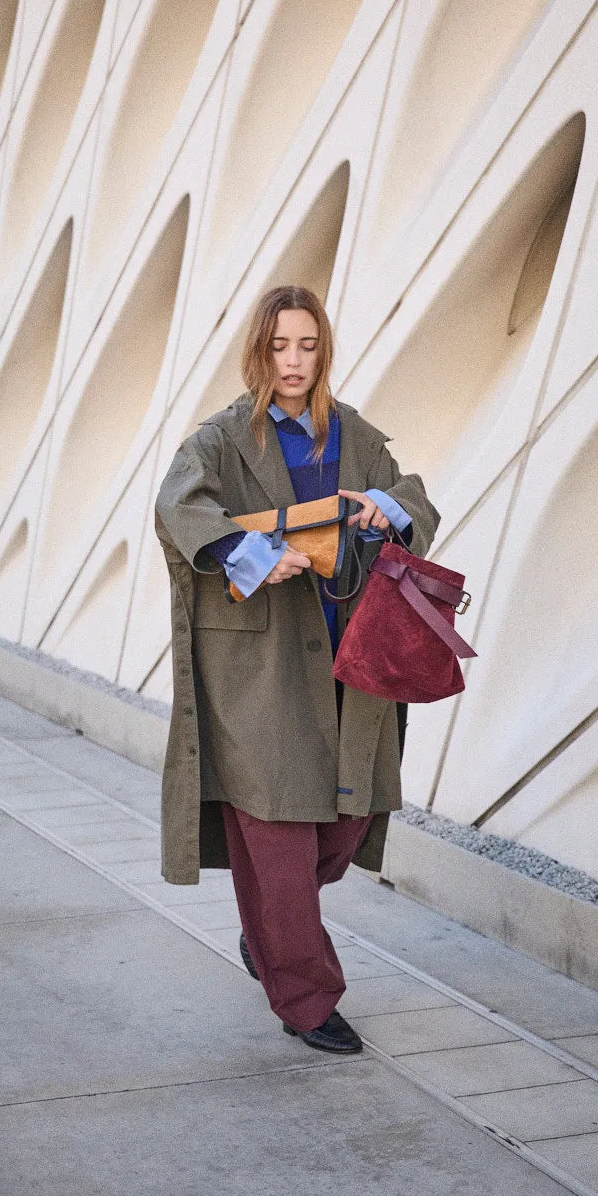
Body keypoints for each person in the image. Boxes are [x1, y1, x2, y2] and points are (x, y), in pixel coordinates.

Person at [154, 286, 439, 1053]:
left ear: (324, 350)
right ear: (259, 351)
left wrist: (389, 504)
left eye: (306, 345)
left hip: (351, 658)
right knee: (277, 831)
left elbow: (418, 500)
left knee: (344, 823)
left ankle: (271, 931)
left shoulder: (355, 435)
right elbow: (176, 506)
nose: (293, 361)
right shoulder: (220, 439)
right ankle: (306, 997)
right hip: (263, 666)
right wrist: (251, 553)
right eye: (279, 346)